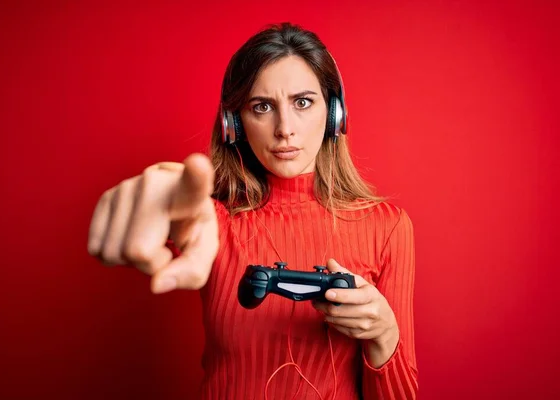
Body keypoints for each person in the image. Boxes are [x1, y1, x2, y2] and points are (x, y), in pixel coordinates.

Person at [88, 22, 418, 400]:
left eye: (303, 102)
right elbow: (179, 217)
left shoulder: (387, 227)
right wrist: (157, 199)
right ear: (235, 125)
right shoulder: (213, 222)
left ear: (334, 115)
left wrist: (385, 334)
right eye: (262, 107)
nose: (285, 129)